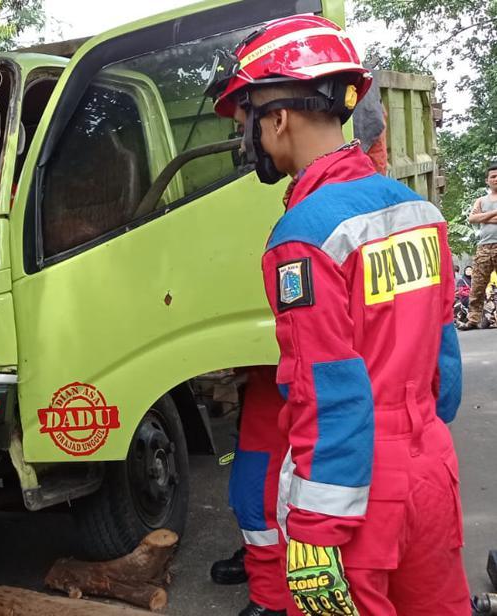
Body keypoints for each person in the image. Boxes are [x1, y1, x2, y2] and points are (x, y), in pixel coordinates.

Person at [210, 14, 467, 615]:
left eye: (246, 119)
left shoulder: (302, 236)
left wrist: (315, 535)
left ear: (278, 119)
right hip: (432, 470)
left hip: (355, 496)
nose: (245, 137)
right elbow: (445, 368)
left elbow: (328, 391)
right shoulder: (417, 211)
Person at [216, 367, 292, 616]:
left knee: (256, 493)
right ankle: (261, 562)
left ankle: (272, 597)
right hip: (267, 373)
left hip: (282, 376)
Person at [461, 163, 497, 330]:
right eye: (493, 176)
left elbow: (477, 218)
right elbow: (472, 219)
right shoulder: (481, 200)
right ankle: (473, 319)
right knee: (477, 284)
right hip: (484, 247)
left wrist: (483, 217)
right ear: (487, 181)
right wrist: (492, 215)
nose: (496, 179)